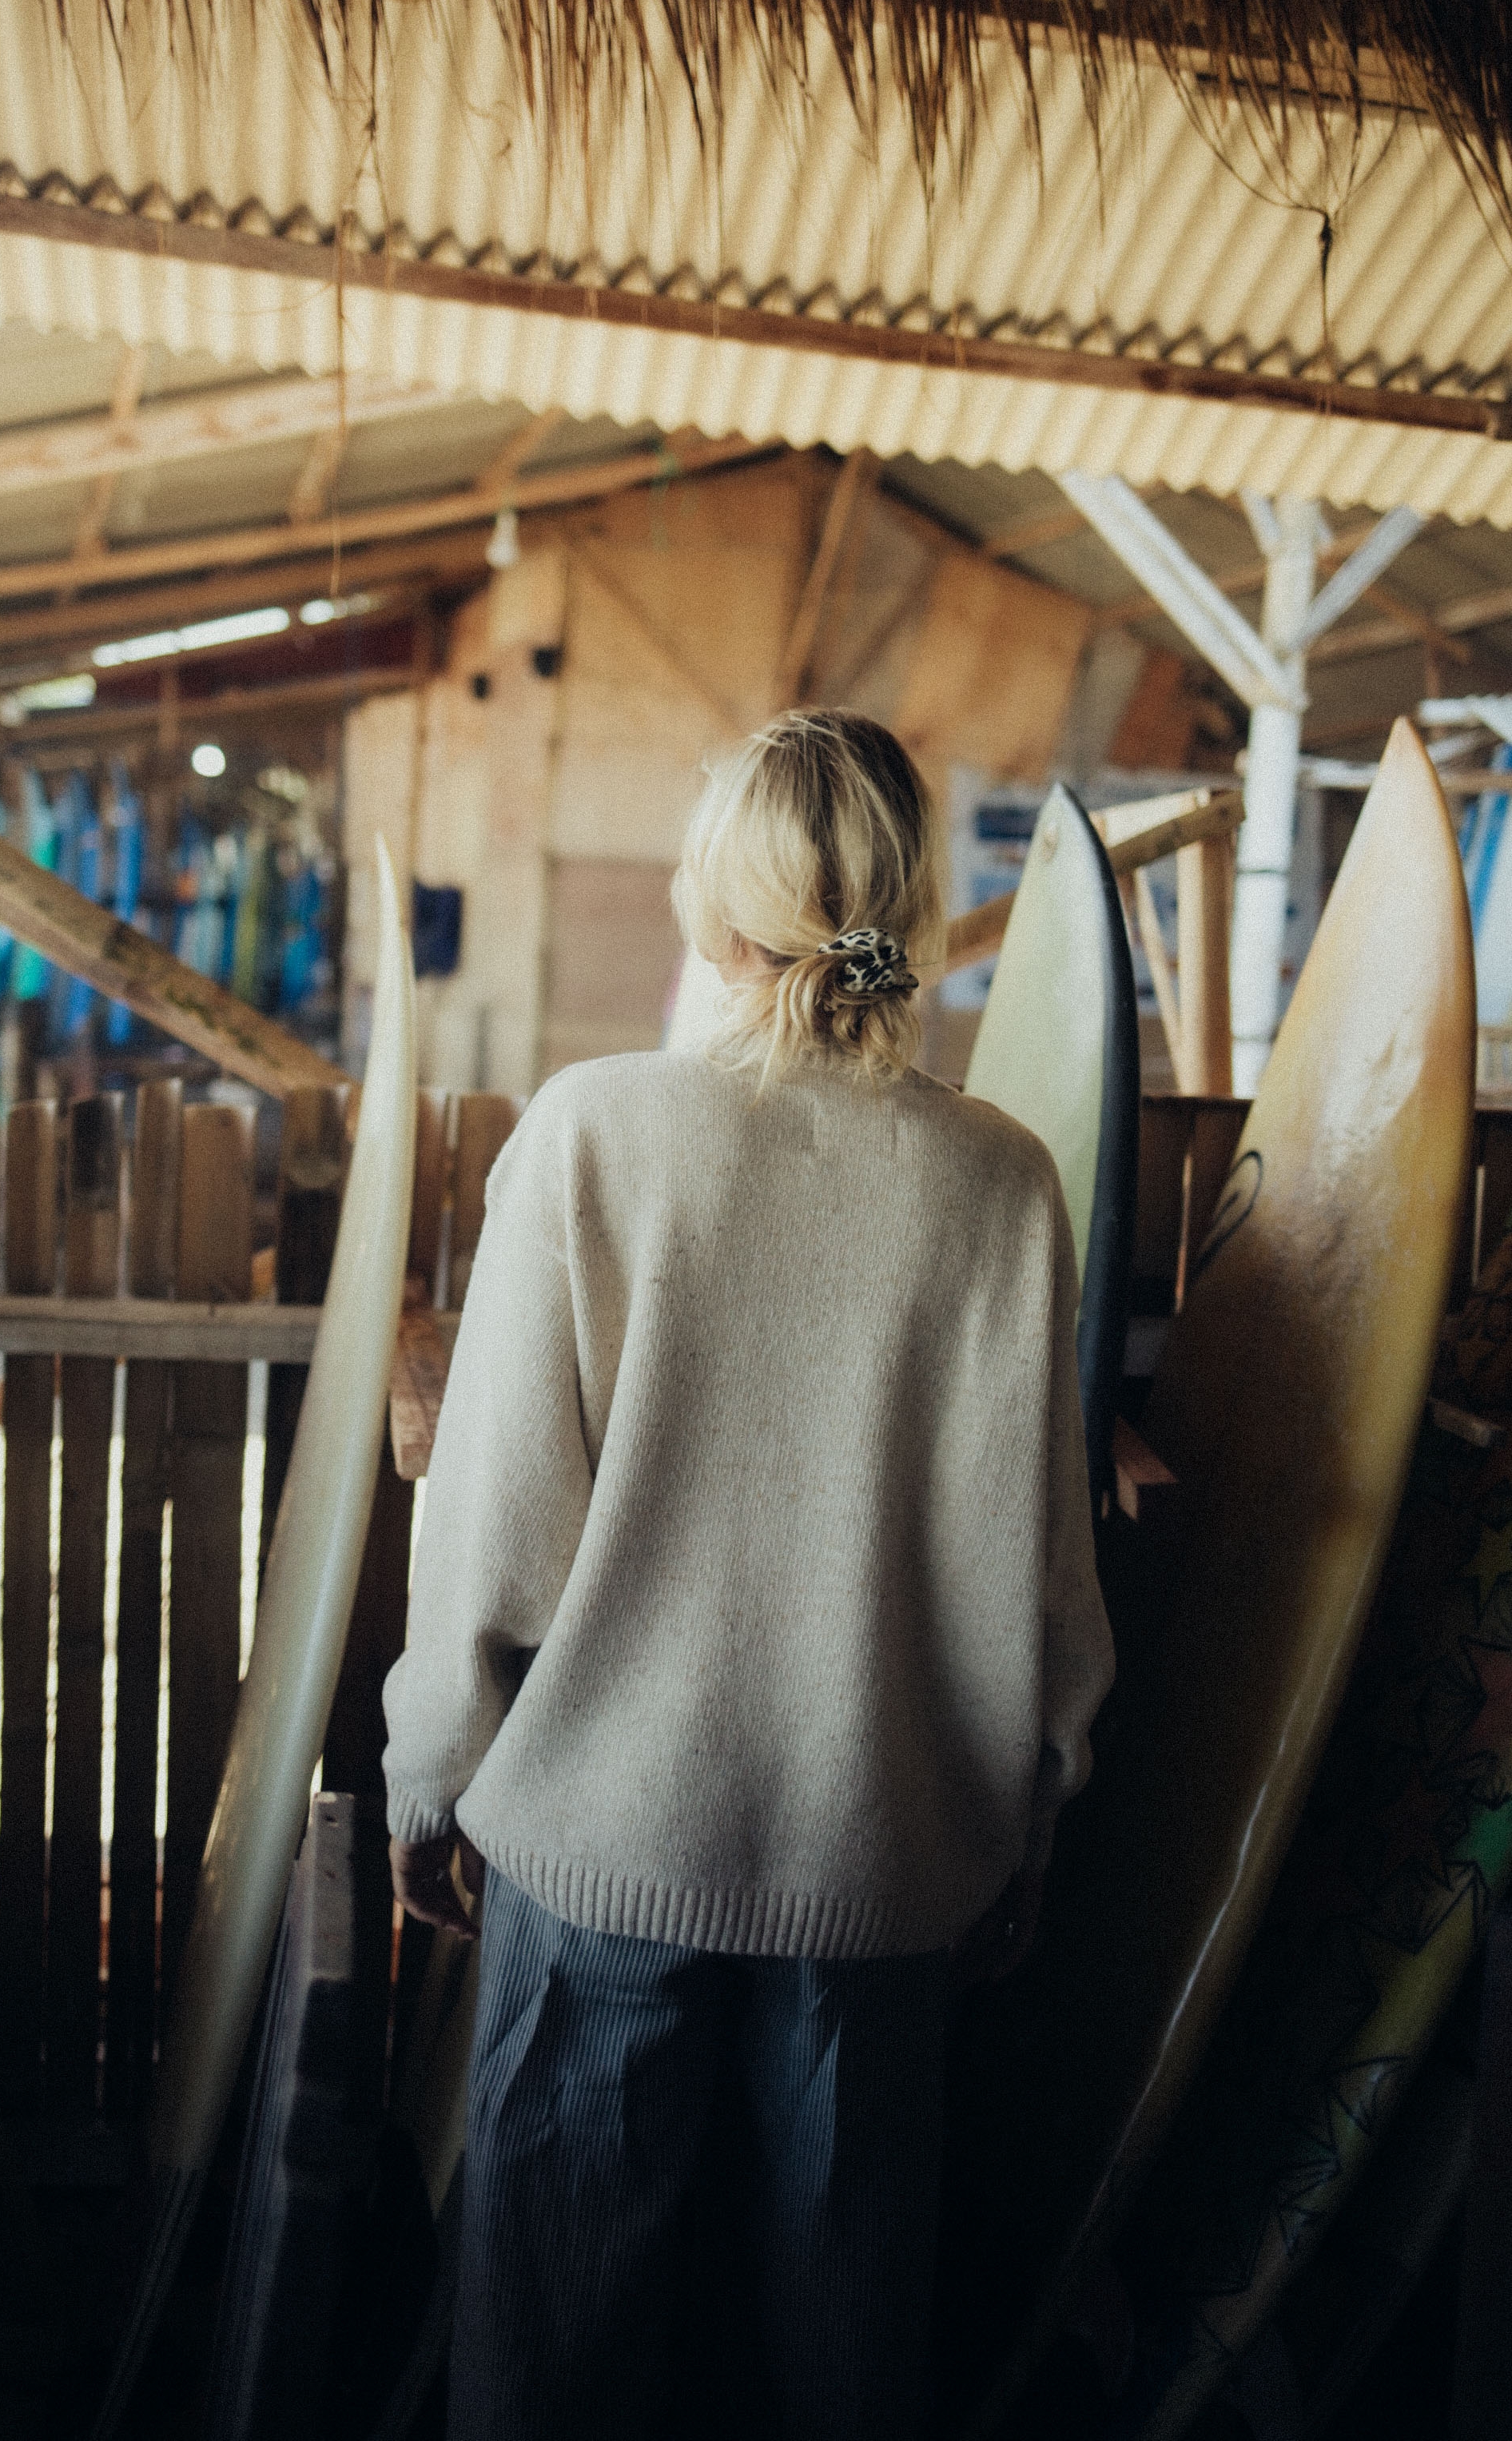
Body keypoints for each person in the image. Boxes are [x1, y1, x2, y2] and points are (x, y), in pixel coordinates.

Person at [381, 708, 1114, 2439]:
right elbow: (1040, 1547)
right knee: (843, 2358)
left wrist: (434, 1777)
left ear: (717, 905)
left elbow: (496, 1520)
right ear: (906, 905)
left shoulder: (593, 1135)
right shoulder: (1001, 1183)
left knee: (555, 2350)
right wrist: (1040, 1800)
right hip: (886, 1862)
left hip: (607, 1843)